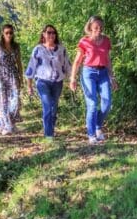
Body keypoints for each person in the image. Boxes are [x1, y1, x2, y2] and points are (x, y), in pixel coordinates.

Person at [69, 15, 118, 144]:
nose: (99, 29)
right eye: (96, 27)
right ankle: (91, 135)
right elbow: (77, 61)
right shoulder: (84, 41)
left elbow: (107, 60)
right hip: (88, 72)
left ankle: (97, 127)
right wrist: (72, 78)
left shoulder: (106, 40)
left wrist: (112, 77)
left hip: (102, 73)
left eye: (101, 27)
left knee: (106, 103)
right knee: (92, 104)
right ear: (90, 27)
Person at [24, 24, 73, 139]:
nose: (51, 35)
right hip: (42, 81)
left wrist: (72, 79)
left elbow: (67, 66)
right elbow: (31, 67)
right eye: (49, 32)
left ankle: (51, 128)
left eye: (53, 32)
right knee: (47, 105)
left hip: (57, 82)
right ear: (44, 34)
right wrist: (29, 86)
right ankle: (48, 135)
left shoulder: (61, 49)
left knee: (54, 108)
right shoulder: (38, 49)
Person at [0, 24, 25, 135]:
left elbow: (19, 62)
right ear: (2, 34)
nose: (9, 34)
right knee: (2, 101)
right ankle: (5, 126)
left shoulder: (16, 46)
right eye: (7, 33)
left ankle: (11, 123)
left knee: (15, 101)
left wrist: (21, 77)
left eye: (11, 32)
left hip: (13, 75)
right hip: (0, 76)